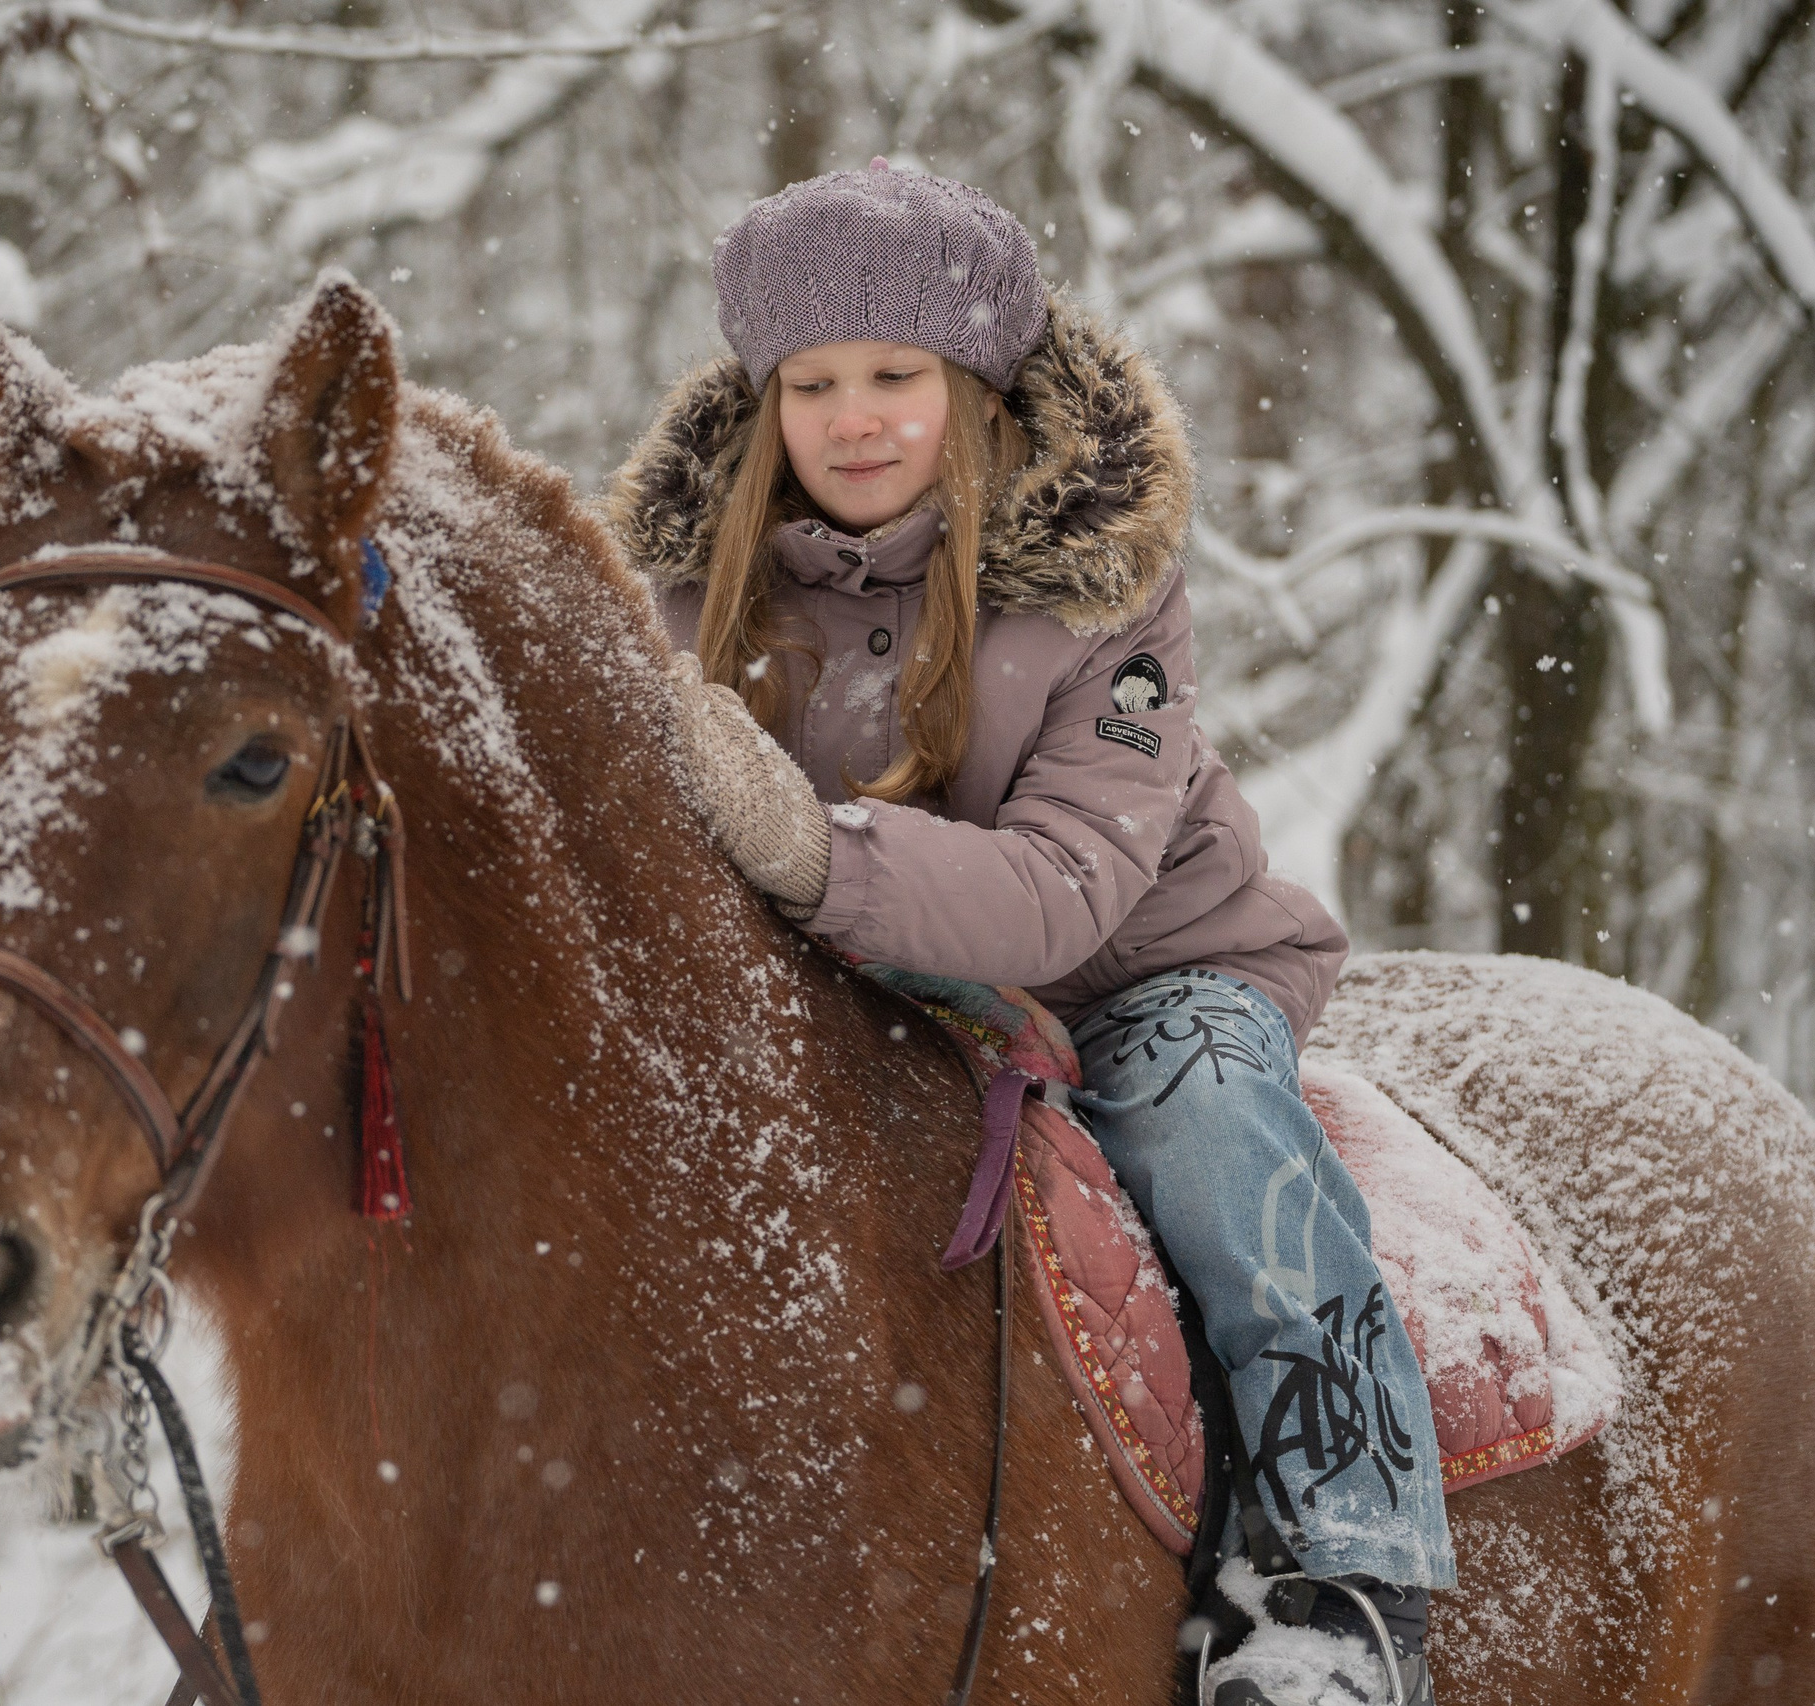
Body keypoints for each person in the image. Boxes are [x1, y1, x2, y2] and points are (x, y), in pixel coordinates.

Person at [606, 161, 1451, 1706]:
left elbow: (1067, 878)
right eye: (813, 383)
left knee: (1207, 1122)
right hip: (856, 987)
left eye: (895, 376)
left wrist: (807, 845)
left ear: (976, 384)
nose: (853, 418)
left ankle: (1346, 1567)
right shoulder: (685, 598)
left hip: (1137, 968)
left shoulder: (1099, 582)